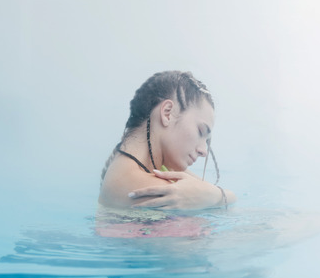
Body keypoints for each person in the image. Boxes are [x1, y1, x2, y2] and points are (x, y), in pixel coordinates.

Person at [99, 71, 237, 210]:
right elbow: (216, 195)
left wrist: (215, 196)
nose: (204, 151)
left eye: (206, 141)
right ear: (167, 113)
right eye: (201, 132)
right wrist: (216, 196)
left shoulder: (156, 168)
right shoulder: (133, 182)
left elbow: (216, 192)